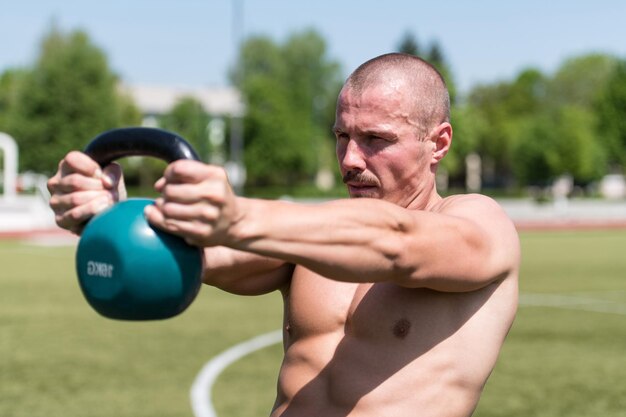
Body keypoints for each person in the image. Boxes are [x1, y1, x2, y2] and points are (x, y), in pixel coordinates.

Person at [48, 52, 519, 417]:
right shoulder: (310, 240)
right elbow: (201, 256)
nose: (351, 159)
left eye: (375, 140)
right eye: (341, 137)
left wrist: (236, 216)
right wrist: (112, 215)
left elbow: (396, 244)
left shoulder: (479, 225)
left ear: (438, 143)